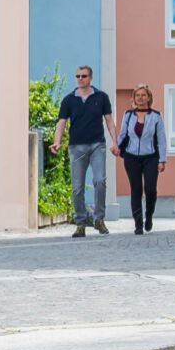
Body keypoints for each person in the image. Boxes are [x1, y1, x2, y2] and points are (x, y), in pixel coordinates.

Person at [50, 64, 116, 236]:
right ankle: (80, 223)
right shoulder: (69, 100)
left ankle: (99, 219)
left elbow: (109, 121)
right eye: (78, 76)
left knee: (100, 181)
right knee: (77, 187)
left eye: (84, 76)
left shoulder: (101, 97)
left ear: (90, 78)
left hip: (97, 146)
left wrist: (115, 142)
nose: (80, 79)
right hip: (76, 147)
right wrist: (57, 141)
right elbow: (61, 122)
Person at [116, 85, 166, 234]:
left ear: (148, 98)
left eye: (143, 95)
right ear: (134, 98)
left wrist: (162, 160)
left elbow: (161, 140)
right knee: (136, 189)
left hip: (150, 157)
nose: (140, 98)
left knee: (150, 189)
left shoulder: (156, 116)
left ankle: (149, 216)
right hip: (131, 157)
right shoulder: (128, 115)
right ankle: (138, 224)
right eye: (137, 95)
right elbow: (123, 134)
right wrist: (117, 147)